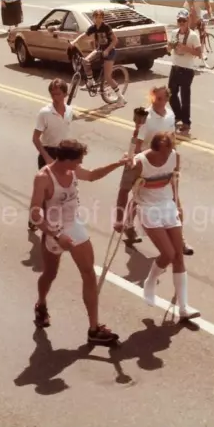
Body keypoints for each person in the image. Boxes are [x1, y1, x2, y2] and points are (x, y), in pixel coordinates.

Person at [28, 139, 129, 345]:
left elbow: (92, 175)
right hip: (54, 229)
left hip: (73, 225)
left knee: (89, 273)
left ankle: (94, 328)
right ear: (65, 160)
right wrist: (56, 234)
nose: (79, 166)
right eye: (77, 162)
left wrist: (118, 164)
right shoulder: (43, 178)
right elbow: (35, 213)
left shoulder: (72, 171)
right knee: (50, 273)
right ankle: (41, 304)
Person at [127, 132, 200, 321]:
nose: (169, 155)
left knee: (178, 256)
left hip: (167, 206)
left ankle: (183, 308)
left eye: (171, 150)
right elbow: (126, 189)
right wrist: (123, 217)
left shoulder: (175, 157)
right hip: (148, 209)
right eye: (165, 152)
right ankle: (150, 281)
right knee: (168, 254)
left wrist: (178, 204)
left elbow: (175, 183)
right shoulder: (140, 161)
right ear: (155, 149)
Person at [118, 85, 194, 255]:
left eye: (163, 98)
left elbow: (172, 138)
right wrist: (137, 164)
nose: (159, 101)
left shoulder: (170, 114)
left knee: (174, 198)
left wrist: (174, 160)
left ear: (167, 99)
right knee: (139, 199)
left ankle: (179, 239)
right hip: (147, 162)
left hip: (166, 161)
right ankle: (128, 225)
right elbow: (138, 143)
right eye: (157, 98)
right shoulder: (146, 116)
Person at [31, 79, 74, 230]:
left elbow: (66, 134)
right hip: (48, 151)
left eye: (59, 94)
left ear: (65, 94)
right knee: (45, 190)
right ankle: (35, 217)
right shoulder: (45, 113)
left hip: (63, 154)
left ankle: (53, 219)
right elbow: (35, 138)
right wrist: (46, 157)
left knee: (61, 189)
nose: (56, 97)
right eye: (53, 94)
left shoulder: (69, 111)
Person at [69, 9, 126, 106]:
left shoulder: (106, 27)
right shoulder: (93, 27)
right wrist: (75, 42)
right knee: (85, 61)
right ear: (93, 18)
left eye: (100, 17)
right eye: (96, 17)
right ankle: (91, 82)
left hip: (110, 52)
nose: (99, 19)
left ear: (103, 18)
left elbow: (115, 40)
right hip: (99, 50)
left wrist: (107, 50)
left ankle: (121, 98)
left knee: (108, 77)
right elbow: (84, 35)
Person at [167, 9, 201, 135]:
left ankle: (186, 122)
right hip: (175, 67)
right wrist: (169, 46)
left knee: (185, 97)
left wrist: (187, 49)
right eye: (179, 20)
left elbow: (199, 53)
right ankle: (178, 115)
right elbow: (168, 48)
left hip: (187, 69)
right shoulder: (174, 33)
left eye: (184, 21)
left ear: (188, 21)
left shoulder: (193, 36)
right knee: (171, 94)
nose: (181, 23)